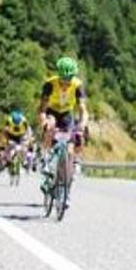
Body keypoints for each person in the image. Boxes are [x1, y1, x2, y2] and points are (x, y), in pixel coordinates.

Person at [36, 56, 89, 189]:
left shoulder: (77, 85)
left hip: (66, 114)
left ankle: (71, 167)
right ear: (58, 75)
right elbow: (42, 108)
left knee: (74, 143)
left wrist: (82, 124)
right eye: (63, 79)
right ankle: (45, 159)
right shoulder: (50, 84)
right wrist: (43, 121)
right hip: (51, 111)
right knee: (50, 126)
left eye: (69, 79)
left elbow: (83, 109)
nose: (65, 83)